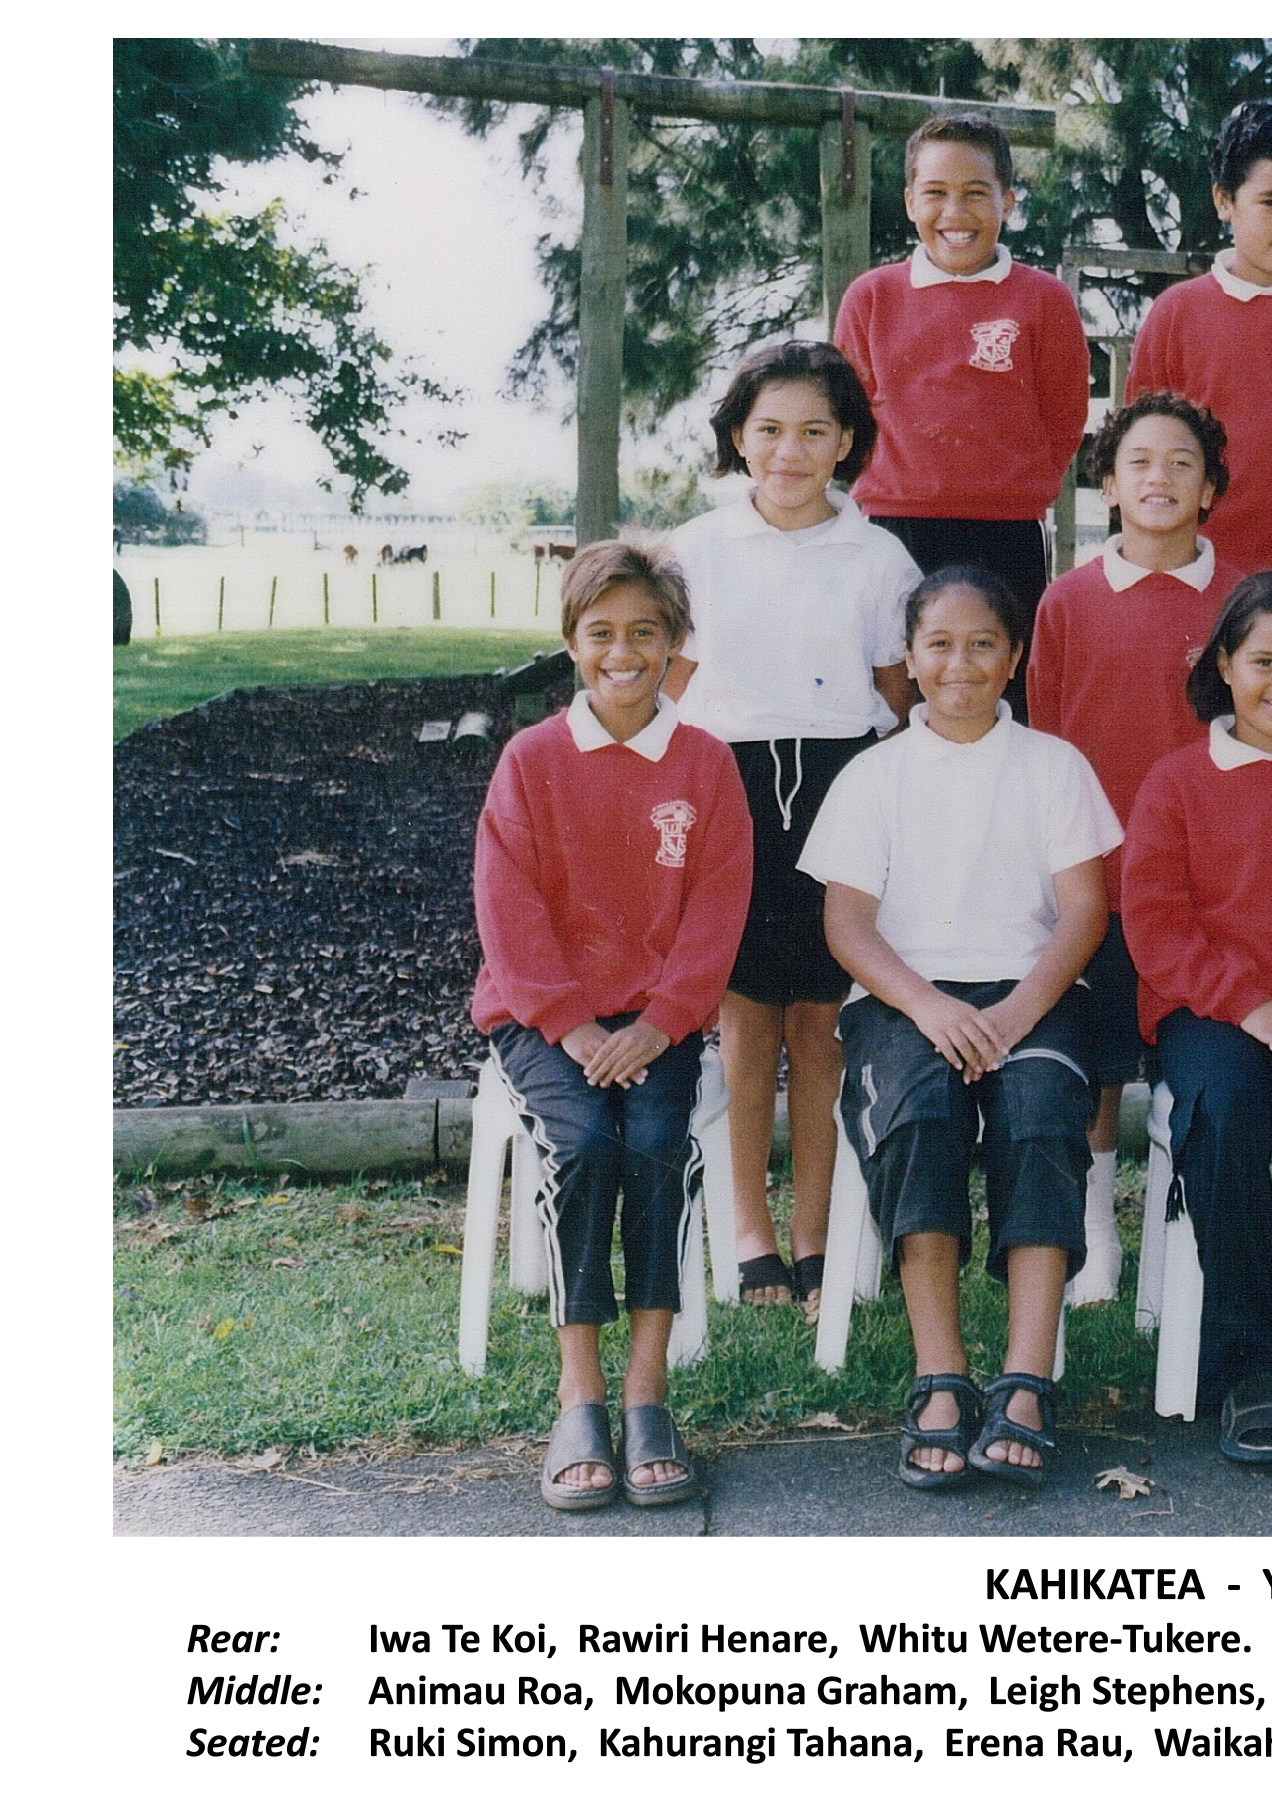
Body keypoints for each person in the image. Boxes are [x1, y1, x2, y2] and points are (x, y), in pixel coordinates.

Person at [799, 566, 1122, 1489]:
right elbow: (847, 924)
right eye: (938, 644)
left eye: (983, 644)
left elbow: (1084, 911)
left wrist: (1016, 1012)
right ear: (908, 658)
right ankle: (940, 1375)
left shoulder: (1054, 767)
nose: (960, 664)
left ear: (1014, 658)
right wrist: (930, 1006)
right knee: (922, 1114)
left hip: (1033, 992)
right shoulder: (874, 776)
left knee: (1040, 1115)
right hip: (906, 999)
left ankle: (1026, 1380)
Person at [470, 537, 752, 1511]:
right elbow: (508, 910)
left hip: (658, 1020)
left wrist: (662, 1022)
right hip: (545, 1016)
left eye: (644, 632)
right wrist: (573, 1026)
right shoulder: (531, 760)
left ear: (675, 643)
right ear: (571, 643)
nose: (622, 653)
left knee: (657, 1143)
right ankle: (580, 1391)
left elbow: (717, 911)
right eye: (600, 633)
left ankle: (647, 1390)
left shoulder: (705, 764)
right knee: (586, 1143)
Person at [664, 338, 920, 1319]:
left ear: (847, 442)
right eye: (769, 429)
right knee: (744, 1020)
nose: (790, 451)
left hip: (839, 785)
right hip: (727, 786)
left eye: (815, 431)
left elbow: (899, 694)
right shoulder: (696, 550)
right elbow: (667, 686)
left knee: (819, 1025)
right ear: (738, 436)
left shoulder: (879, 557)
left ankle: (814, 1233)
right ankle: (750, 1235)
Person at [1027, 393, 1243, 1304]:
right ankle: (1093, 1236)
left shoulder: (1244, 600)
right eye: (1140, 462)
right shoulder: (1068, 602)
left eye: (1182, 463)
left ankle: (1176, 1233)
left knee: (1198, 1061)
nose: (1161, 478)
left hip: (1215, 886)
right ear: (1108, 485)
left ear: (1211, 489)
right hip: (1104, 880)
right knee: (1101, 1065)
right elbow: (1044, 737)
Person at [833, 111, 1089, 722]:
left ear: (1008, 201)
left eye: (976, 193)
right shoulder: (871, 297)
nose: (955, 211)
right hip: (896, 527)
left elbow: (1063, 418)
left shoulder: (1043, 300)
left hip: (1005, 531)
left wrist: (1006, 485)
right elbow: (846, 415)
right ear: (909, 202)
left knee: (1001, 693)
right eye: (936, 193)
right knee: (896, 689)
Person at [1122, 574, 1272, 1464]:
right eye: (1264, 661)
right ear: (1225, 665)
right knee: (1227, 1111)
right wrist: (1251, 1006)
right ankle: (1251, 1364)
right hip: (1211, 1009)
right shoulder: (1178, 781)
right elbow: (1157, 927)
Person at [1126, 99, 1272, 574]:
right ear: (1224, 201)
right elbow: (1138, 455)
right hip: (1204, 576)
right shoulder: (1177, 315)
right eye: (1270, 203)